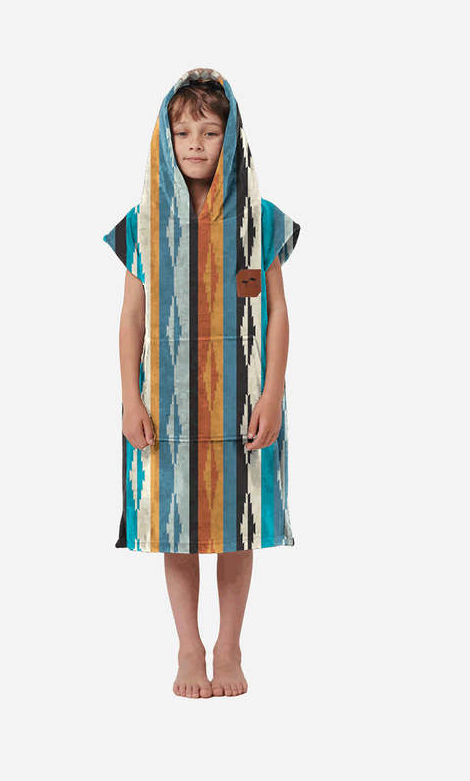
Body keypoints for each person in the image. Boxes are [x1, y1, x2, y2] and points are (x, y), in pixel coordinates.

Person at [102, 68, 301, 698]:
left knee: (239, 524)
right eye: (183, 132)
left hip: (243, 403)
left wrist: (272, 394)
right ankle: (188, 646)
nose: (195, 144)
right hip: (166, 406)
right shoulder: (144, 223)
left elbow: (277, 312)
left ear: (230, 136)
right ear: (165, 140)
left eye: (209, 132)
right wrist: (130, 398)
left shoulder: (259, 219)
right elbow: (131, 317)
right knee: (177, 525)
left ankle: (230, 644)